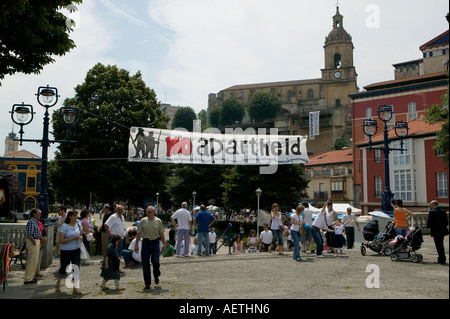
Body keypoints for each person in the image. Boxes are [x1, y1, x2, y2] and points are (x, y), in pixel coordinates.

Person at [135, 206, 166, 289]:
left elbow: (162, 234)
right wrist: (136, 244)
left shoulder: (158, 221)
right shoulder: (143, 221)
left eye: (149, 212)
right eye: (147, 212)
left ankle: (156, 275)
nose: (148, 214)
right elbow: (139, 233)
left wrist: (164, 244)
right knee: (145, 264)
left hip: (155, 242)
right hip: (146, 242)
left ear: (154, 213)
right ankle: (147, 283)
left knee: (155, 261)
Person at [55, 210, 83, 294]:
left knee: (76, 268)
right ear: (70, 216)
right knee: (64, 267)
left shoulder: (78, 224)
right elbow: (61, 240)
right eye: (74, 216)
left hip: (76, 249)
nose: (76, 217)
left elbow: (81, 234)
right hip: (66, 250)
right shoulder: (65, 226)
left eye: (76, 216)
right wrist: (72, 238)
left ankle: (75, 287)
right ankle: (58, 283)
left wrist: (81, 238)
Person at [23, 208, 42, 284]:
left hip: (35, 241)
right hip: (33, 242)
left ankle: (30, 277)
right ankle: (28, 278)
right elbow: (29, 234)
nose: (40, 215)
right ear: (34, 214)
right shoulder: (31, 222)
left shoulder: (35, 222)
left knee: (34, 261)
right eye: (39, 213)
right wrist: (34, 241)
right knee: (31, 261)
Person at [427, 200, 449, 265]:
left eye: (430, 204)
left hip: (435, 231)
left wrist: (430, 227)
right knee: (441, 245)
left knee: (438, 245)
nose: (430, 206)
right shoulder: (443, 211)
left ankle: (441, 259)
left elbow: (429, 223)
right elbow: (446, 222)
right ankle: (442, 258)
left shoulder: (432, 212)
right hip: (442, 230)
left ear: (433, 205)